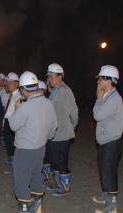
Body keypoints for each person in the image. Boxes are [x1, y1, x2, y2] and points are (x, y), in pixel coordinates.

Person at [8, 71, 58, 213]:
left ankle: (24, 209)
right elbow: (54, 126)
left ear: (23, 90)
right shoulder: (48, 103)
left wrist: (17, 109)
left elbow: (13, 125)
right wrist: (44, 138)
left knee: (21, 180)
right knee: (36, 176)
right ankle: (37, 208)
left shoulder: (25, 107)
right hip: (40, 148)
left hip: (25, 150)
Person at [93, 65, 123, 213]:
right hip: (105, 141)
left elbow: (98, 116)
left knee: (109, 171)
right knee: (104, 169)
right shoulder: (108, 96)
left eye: (100, 78)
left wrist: (98, 100)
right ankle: (106, 195)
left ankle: (112, 206)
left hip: (111, 142)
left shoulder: (113, 98)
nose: (98, 82)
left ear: (108, 80)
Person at [45, 63, 79, 198]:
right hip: (54, 133)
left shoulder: (65, 90)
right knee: (54, 160)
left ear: (60, 76)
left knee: (61, 160)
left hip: (62, 133)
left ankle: (66, 187)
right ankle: (58, 183)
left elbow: (74, 111)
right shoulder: (54, 91)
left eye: (52, 77)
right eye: (49, 77)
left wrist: (72, 126)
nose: (49, 79)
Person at [2, 72, 21, 174]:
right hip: (7, 122)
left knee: (14, 145)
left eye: (10, 83)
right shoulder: (9, 96)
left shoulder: (20, 95)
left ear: (17, 83)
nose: (8, 85)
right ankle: (12, 164)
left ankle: (16, 167)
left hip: (14, 123)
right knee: (9, 145)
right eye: (7, 83)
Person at [0, 73, 8, 150]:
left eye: (1, 80)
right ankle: (2, 143)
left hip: (5, 109)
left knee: (4, 126)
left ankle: (6, 144)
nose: (0, 82)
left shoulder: (7, 89)